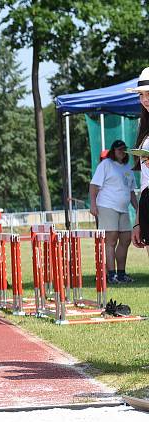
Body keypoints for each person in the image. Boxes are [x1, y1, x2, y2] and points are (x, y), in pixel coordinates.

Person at [89, 140, 138, 284]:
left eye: (123, 150)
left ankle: (121, 274)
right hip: (107, 206)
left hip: (123, 209)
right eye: (118, 150)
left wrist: (137, 208)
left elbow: (131, 192)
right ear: (113, 151)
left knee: (126, 239)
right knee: (111, 240)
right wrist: (93, 204)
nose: (121, 152)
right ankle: (111, 274)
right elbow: (93, 186)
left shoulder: (128, 168)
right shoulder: (105, 165)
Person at [128, 68, 149, 247]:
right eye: (141, 94)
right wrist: (137, 221)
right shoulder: (144, 130)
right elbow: (145, 182)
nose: (145, 99)